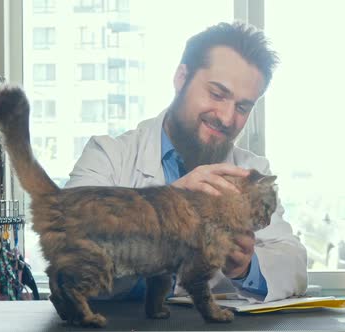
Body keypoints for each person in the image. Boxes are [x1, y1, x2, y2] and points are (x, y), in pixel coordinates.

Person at [65, 21, 307, 302]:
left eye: (242, 107)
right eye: (217, 94)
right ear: (182, 78)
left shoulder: (252, 172)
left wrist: (246, 267)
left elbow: (293, 260)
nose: (228, 118)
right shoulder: (108, 155)